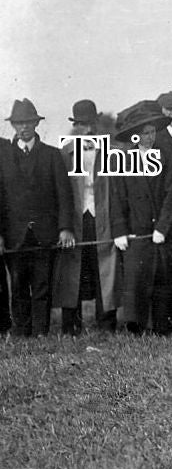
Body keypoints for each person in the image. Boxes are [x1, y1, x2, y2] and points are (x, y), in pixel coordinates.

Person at [0, 99, 75, 336]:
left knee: (42, 284)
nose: (23, 128)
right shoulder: (3, 157)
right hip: (15, 234)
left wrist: (65, 228)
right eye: (19, 123)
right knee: (19, 285)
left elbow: (64, 195)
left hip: (45, 232)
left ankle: (41, 331)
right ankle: (22, 332)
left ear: (36, 124)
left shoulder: (52, 155)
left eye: (28, 122)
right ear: (13, 126)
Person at [109, 101, 172, 334]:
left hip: (159, 231)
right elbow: (116, 198)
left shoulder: (165, 158)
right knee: (135, 279)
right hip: (134, 231)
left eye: (152, 132)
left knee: (160, 278)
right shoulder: (121, 160)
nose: (149, 137)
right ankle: (136, 326)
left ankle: (162, 325)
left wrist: (162, 227)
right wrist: (119, 230)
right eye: (144, 133)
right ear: (134, 136)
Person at [53, 99, 120, 334]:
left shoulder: (111, 152)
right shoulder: (64, 154)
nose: (87, 130)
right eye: (82, 125)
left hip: (102, 217)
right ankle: (71, 325)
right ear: (75, 125)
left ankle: (106, 324)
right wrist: (64, 226)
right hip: (75, 219)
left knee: (105, 268)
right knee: (73, 270)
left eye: (91, 123)